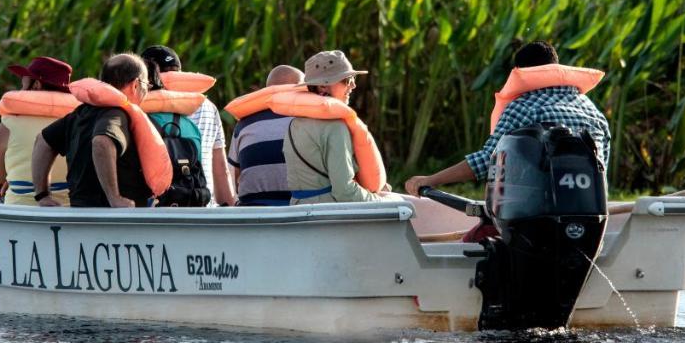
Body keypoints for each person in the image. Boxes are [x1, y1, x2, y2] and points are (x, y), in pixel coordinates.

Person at [404, 41, 610, 237]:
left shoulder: (524, 106)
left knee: (474, 241)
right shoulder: (593, 112)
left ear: (519, 72)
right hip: (590, 222)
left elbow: (487, 161)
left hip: (533, 222)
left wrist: (430, 180)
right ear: (554, 68)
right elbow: (603, 172)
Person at [31, 53, 154, 208]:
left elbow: (42, 141)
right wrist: (114, 198)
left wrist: (42, 195)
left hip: (80, 208)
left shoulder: (80, 113)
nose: (147, 90)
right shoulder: (118, 114)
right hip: (114, 218)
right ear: (135, 85)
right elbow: (102, 142)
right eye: (146, 85)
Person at [281, 51, 394, 204]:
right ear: (323, 86)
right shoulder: (335, 127)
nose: (353, 85)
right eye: (347, 80)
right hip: (328, 214)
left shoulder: (294, 124)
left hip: (297, 208)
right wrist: (381, 201)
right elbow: (344, 192)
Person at [140, 45, 234, 206]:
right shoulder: (206, 106)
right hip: (202, 201)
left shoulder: (142, 105)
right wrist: (230, 209)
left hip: (159, 205)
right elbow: (221, 170)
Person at [0, 56, 76, 205]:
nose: (21, 90)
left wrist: (10, 179)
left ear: (36, 85)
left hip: (21, 206)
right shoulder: (79, 122)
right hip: (68, 207)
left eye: (23, 84)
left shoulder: (9, 123)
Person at [225, 65, 304, 206]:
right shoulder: (309, 120)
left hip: (251, 212)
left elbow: (232, 177)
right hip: (297, 210)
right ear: (299, 89)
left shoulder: (243, 125)